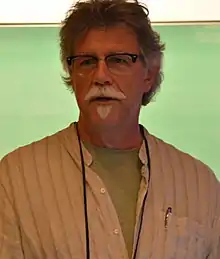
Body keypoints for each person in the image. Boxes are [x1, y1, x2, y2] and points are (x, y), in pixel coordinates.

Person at [0, 0, 219, 258]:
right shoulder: (15, 180)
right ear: (72, 73)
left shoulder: (200, 184)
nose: (101, 76)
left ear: (149, 74)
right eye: (87, 61)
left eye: (118, 60)